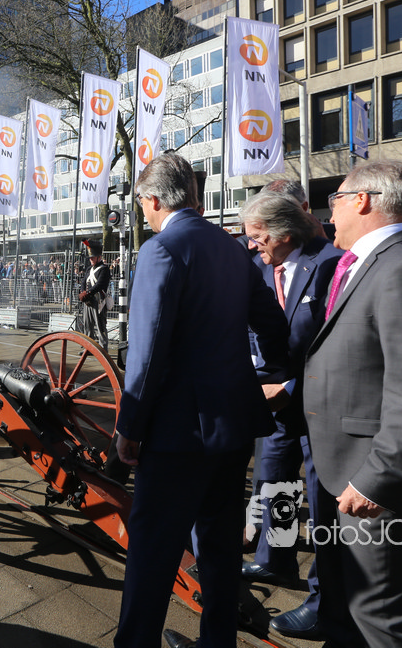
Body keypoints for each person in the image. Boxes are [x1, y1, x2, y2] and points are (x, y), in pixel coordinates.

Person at [112, 152, 290, 648]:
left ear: (152, 199)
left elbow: (146, 353)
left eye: (141, 204)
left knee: (153, 552)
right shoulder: (232, 249)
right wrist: (266, 375)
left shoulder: (161, 250)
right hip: (232, 426)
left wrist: (129, 428)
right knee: (220, 549)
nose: (143, 213)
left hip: (177, 434)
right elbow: (273, 324)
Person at [305, 162, 402, 647]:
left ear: (363, 199)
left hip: (375, 478)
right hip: (345, 467)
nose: (330, 213)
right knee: (347, 603)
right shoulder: (367, 262)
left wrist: (379, 478)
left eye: (335, 199)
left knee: (379, 612)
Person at [238, 190, 342, 641]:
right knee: (275, 480)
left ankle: (326, 601)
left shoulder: (329, 264)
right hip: (273, 404)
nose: (251, 244)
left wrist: (292, 387)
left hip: (317, 402)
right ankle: (275, 558)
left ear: (284, 234)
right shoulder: (259, 266)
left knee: (323, 507)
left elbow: (335, 345)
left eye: (257, 235)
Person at [78, 240, 111, 352]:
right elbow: (84, 282)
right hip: (88, 301)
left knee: (100, 326)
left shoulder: (104, 269)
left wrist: (87, 293)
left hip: (98, 301)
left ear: (99, 257)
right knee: (88, 326)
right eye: (90, 258)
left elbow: (100, 284)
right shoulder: (89, 269)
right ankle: (88, 348)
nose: (91, 260)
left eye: (93, 258)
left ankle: (103, 349)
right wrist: (83, 292)